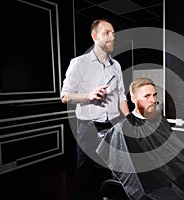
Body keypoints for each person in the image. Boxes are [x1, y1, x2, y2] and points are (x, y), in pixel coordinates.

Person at [96, 78, 184, 200]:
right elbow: (129, 170)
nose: (153, 100)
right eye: (146, 96)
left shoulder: (158, 120)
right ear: (133, 99)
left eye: (154, 95)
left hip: (172, 170)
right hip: (152, 181)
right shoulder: (124, 128)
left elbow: (175, 148)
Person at [60, 19, 130, 200]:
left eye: (113, 33)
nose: (112, 36)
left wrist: (130, 119)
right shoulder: (79, 63)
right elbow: (65, 96)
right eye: (107, 32)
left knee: (113, 169)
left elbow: (122, 95)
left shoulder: (116, 66)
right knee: (85, 171)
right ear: (94, 36)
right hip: (89, 127)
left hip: (114, 125)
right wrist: (88, 95)